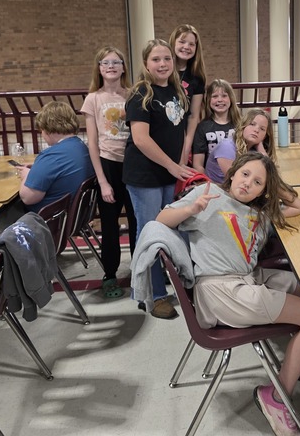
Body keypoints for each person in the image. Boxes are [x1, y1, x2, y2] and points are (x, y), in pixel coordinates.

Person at [156, 152, 300, 436]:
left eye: (258, 182)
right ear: (232, 173)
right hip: (221, 289)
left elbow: (298, 205)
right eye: (245, 174)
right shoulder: (207, 195)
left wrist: (272, 180)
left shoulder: (260, 213)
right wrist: (191, 210)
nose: (247, 184)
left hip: (248, 279)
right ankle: (277, 398)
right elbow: (161, 219)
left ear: (264, 191)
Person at [123, 38, 194, 320]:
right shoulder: (141, 92)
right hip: (146, 175)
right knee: (151, 234)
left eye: (166, 59)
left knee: (171, 230)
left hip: (167, 173)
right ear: (145, 64)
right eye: (156, 59)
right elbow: (141, 139)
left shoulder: (176, 90)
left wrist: (177, 165)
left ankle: (172, 283)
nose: (162, 64)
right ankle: (152, 294)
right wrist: (173, 166)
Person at [81, 46, 138, 299]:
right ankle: (110, 274)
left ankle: (140, 270)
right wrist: (103, 182)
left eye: (116, 62)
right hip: (108, 164)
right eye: (106, 63)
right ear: (100, 68)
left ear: (124, 67)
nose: (111, 66)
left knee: (138, 221)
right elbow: (92, 143)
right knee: (110, 224)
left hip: (134, 164)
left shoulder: (134, 94)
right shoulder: (93, 98)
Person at [18, 101, 93, 214]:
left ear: (46, 129)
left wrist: (26, 176)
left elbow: (28, 198)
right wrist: (38, 168)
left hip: (47, 221)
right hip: (75, 216)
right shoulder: (82, 148)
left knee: (4, 214)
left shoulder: (51, 155)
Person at [169, 24, 207, 165]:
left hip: (182, 135)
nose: (187, 47)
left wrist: (186, 147)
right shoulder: (162, 71)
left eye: (192, 44)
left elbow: (193, 115)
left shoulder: (197, 77)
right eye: (182, 42)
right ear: (173, 42)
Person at [191, 78, 241, 173]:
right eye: (215, 96)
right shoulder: (202, 128)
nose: (220, 100)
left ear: (231, 98)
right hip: (213, 179)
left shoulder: (240, 125)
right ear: (208, 100)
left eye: (224, 96)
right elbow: (197, 165)